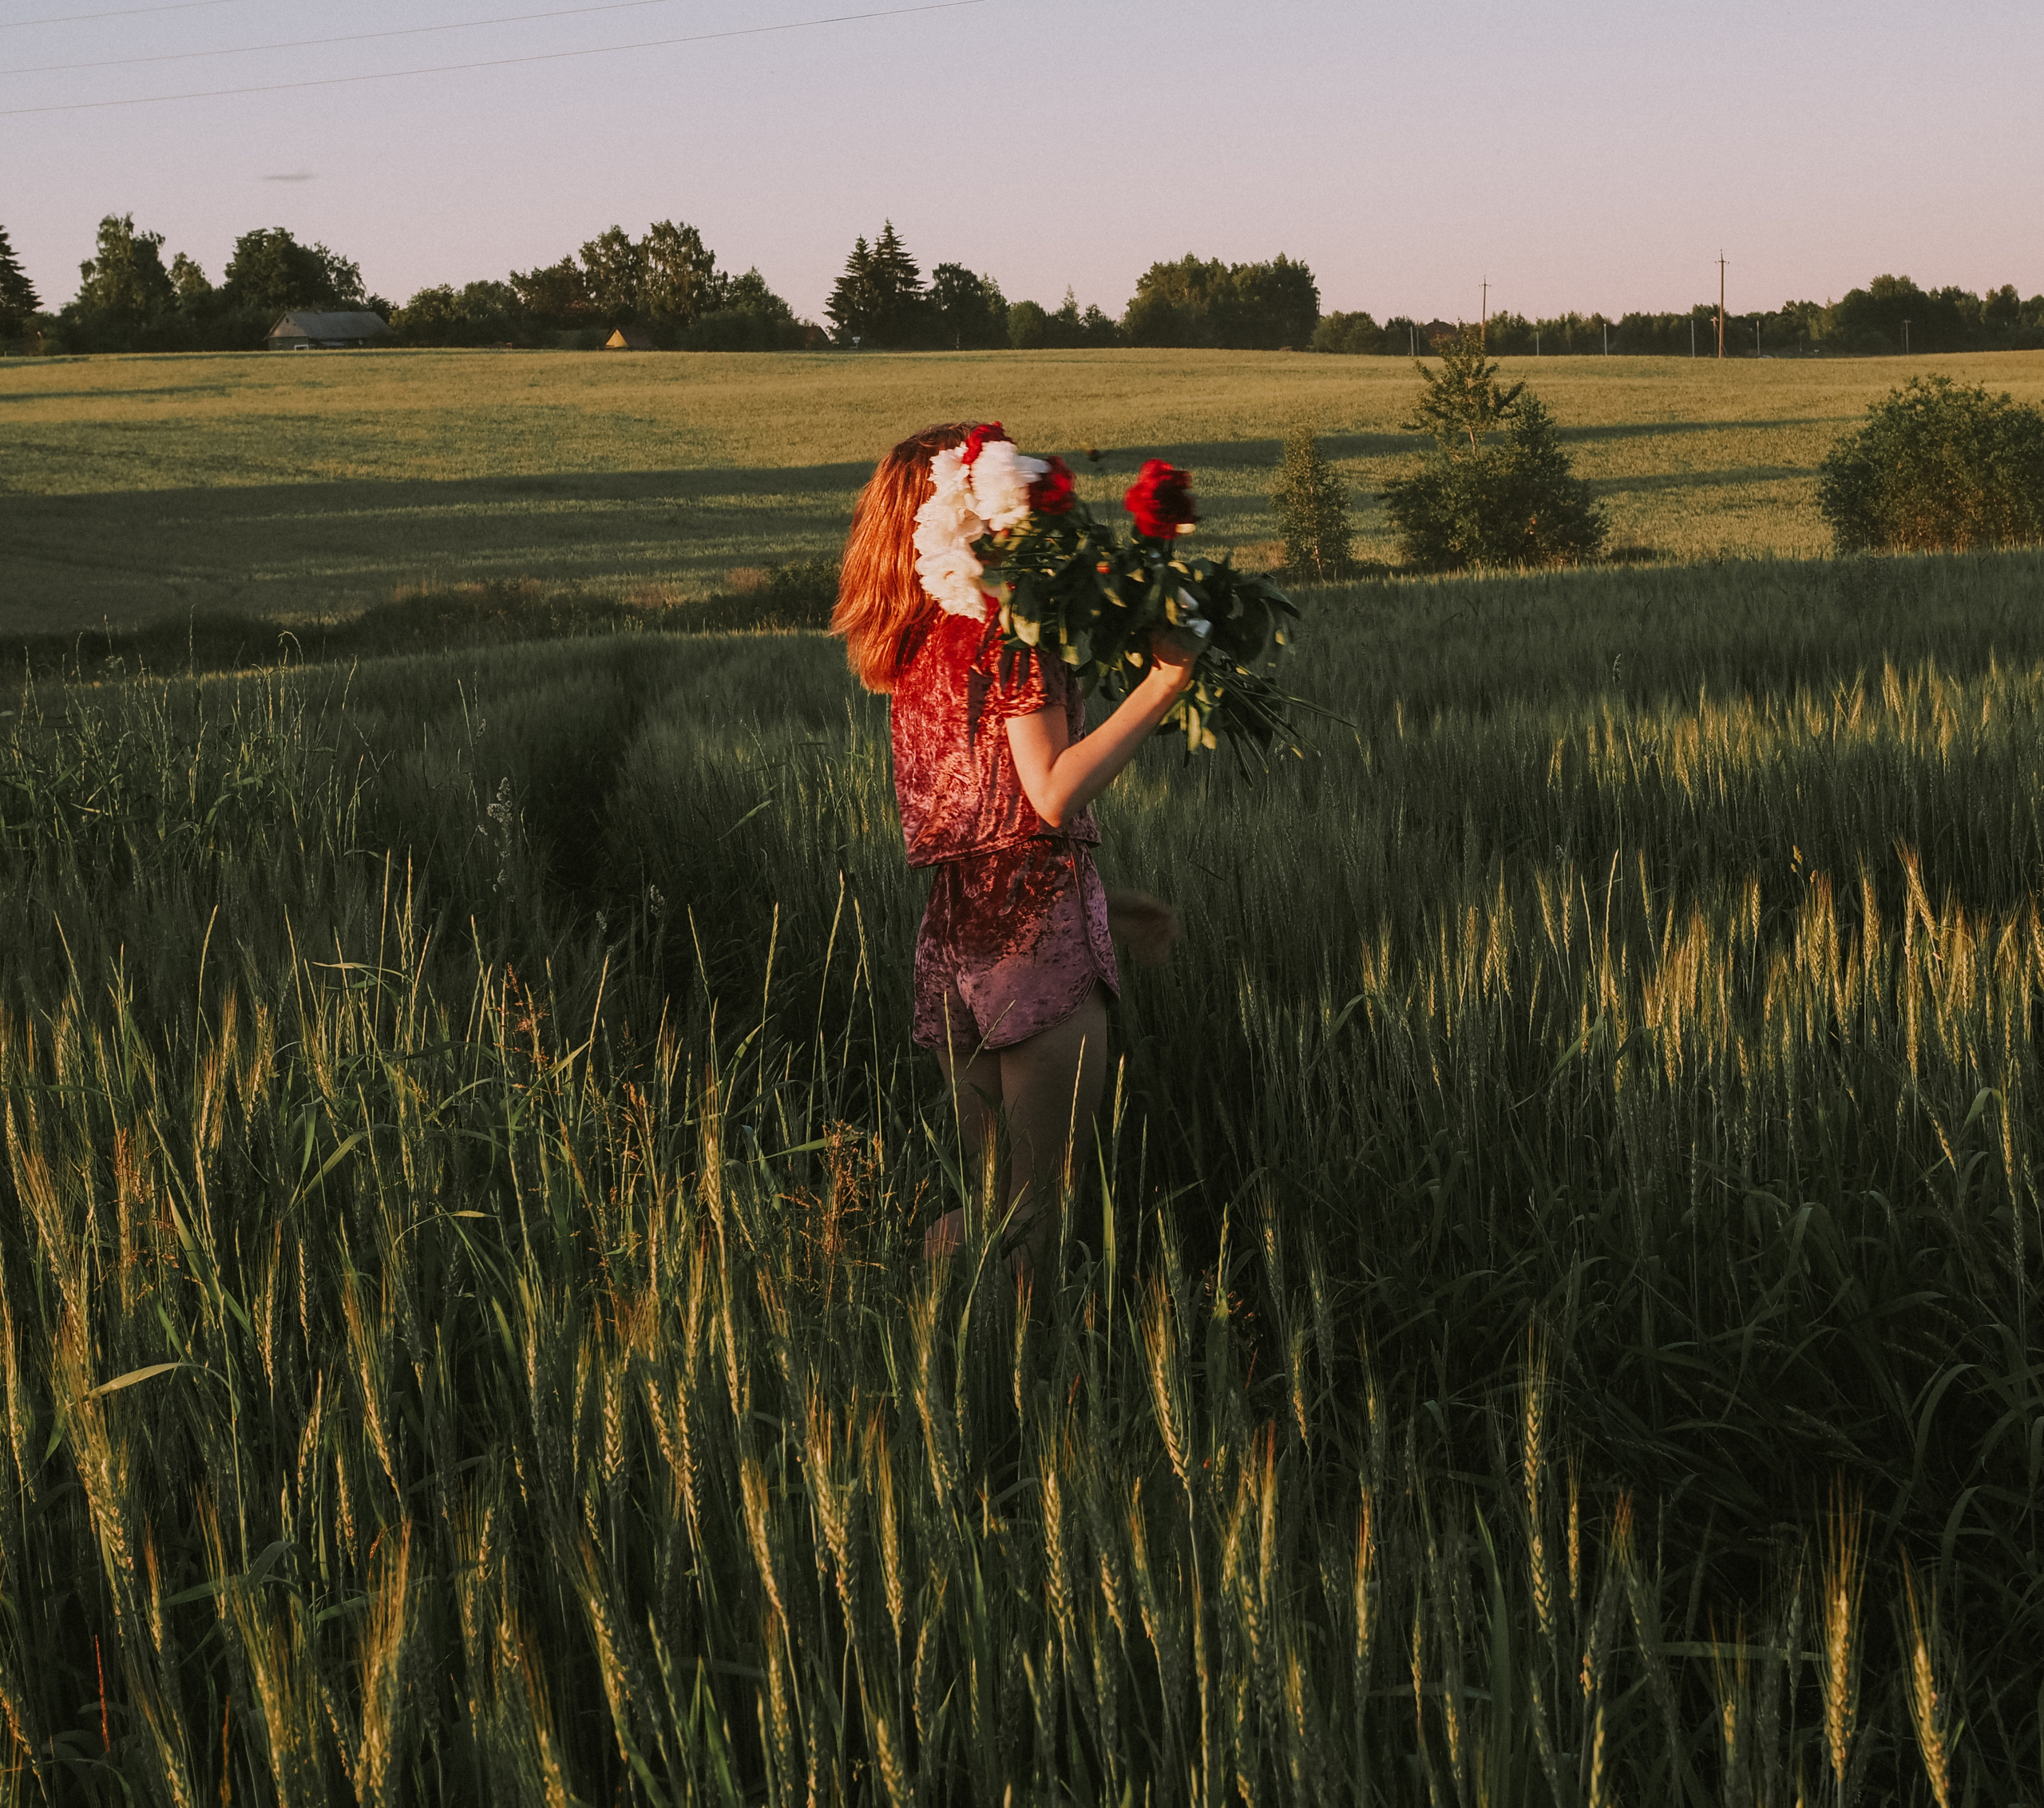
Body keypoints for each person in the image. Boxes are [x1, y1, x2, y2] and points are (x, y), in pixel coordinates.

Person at [832, 422, 1194, 1275]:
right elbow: (1050, 793)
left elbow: (979, 818)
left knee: (992, 1204)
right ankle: (998, 1365)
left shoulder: (913, 650)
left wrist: (1102, 902)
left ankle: (924, 1329)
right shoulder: (1008, 629)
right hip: (1034, 939)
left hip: (954, 940)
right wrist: (1167, 681)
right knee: (1036, 1222)